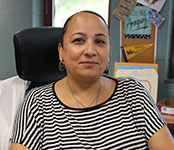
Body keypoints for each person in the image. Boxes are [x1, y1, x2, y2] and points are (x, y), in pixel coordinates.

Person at [10, 10, 174, 150]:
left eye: (100, 41)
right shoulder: (36, 103)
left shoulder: (133, 92)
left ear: (108, 51)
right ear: (61, 51)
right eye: (78, 40)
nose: (90, 50)